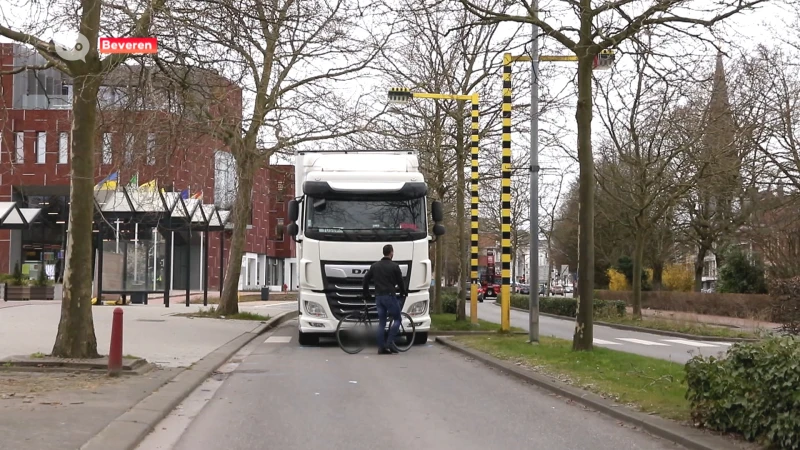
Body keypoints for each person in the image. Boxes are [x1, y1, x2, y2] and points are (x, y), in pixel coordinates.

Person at [362, 244, 407, 355]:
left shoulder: (375, 266)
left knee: (381, 322)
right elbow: (400, 282)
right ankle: (389, 343)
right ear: (391, 252)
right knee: (397, 319)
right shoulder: (395, 266)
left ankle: (381, 348)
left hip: (379, 297)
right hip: (389, 296)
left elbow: (365, 279)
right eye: (393, 252)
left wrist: (366, 292)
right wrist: (403, 292)